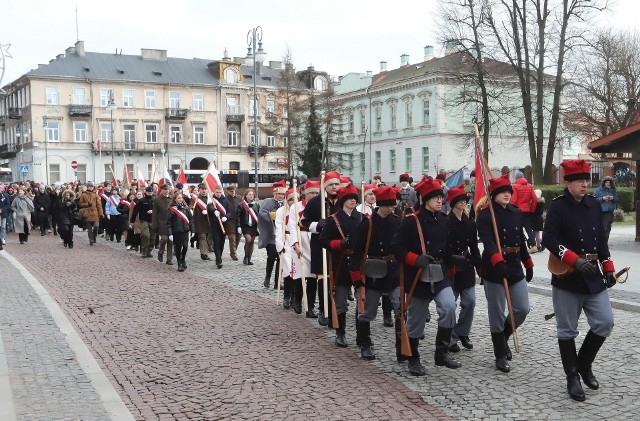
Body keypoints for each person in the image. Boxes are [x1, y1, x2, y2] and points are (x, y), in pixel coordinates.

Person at [542, 159, 617, 402]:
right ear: (568, 182)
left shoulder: (594, 205)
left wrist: (608, 266)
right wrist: (574, 260)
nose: (585, 184)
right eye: (579, 181)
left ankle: (584, 364)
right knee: (567, 330)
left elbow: (601, 239)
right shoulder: (558, 206)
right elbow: (549, 240)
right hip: (568, 275)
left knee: (605, 322)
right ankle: (572, 376)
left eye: (586, 180)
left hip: (593, 274)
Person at [391, 177, 461, 376]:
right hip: (418, 276)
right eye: (435, 198)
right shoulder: (411, 221)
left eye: (441, 197)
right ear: (424, 199)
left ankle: (441, 353)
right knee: (416, 321)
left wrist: (455, 263)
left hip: (440, 274)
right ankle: (413, 358)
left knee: (449, 307)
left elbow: (447, 248)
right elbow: (396, 247)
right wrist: (415, 259)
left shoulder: (444, 220)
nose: (440, 201)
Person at [477, 174, 534, 374]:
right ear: (494, 194)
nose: (507, 195)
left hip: (514, 265)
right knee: (496, 312)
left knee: (522, 308)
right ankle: (499, 354)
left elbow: (521, 239)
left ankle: (505, 335)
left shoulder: (516, 212)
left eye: (509, 191)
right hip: (494, 268)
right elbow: (488, 242)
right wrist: (497, 262)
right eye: (503, 192)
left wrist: (528, 263)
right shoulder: (485, 215)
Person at [350, 185, 401, 360]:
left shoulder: (397, 222)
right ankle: (365, 343)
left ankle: (402, 347)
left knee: (400, 308)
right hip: (373, 273)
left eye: (393, 205)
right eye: (389, 205)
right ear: (381, 205)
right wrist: (356, 276)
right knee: (368, 312)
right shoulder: (367, 224)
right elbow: (357, 252)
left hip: (393, 272)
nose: (392, 208)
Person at [320, 183, 362, 347]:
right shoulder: (334, 220)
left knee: (361, 300)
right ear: (343, 200)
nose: (352, 201)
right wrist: (341, 243)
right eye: (349, 198)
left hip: (358, 263)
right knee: (341, 300)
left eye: (354, 198)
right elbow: (324, 240)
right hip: (340, 263)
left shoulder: (361, 218)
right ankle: (341, 333)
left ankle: (361, 335)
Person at [300, 171, 341, 325]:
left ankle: (336, 309)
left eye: (336, 184)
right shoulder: (316, 202)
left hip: (338, 246)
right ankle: (324, 310)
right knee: (323, 278)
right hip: (320, 244)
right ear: (325, 186)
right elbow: (302, 222)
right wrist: (316, 225)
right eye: (331, 184)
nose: (334, 187)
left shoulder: (342, 200)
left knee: (337, 279)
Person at [446, 185, 481, 353]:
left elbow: (474, 247)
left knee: (470, 301)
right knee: (450, 304)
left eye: (465, 201)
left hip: (466, 266)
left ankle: (462, 332)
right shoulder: (445, 222)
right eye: (460, 201)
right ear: (453, 203)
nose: (463, 203)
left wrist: (480, 266)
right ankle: (450, 337)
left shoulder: (470, 223)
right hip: (451, 266)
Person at [288, 180, 320, 315]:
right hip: (300, 242)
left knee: (313, 276)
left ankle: (311, 306)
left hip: (314, 241)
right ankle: (297, 300)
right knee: (300, 274)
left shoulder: (320, 206)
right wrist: (295, 244)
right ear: (305, 194)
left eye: (316, 193)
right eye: (312, 193)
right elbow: (292, 226)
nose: (314, 195)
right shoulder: (295, 207)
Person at [258, 180, 286, 288]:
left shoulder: (285, 203)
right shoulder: (269, 201)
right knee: (271, 257)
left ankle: (277, 282)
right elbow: (262, 213)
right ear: (275, 193)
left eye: (283, 194)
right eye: (279, 194)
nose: (281, 196)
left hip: (282, 234)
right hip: (271, 235)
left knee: (281, 259)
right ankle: (267, 277)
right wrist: (271, 216)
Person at [275, 187, 297, 308]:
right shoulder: (281, 211)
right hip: (287, 241)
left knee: (297, 271)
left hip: (298, 242)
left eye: (295, 199)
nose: (293, 202)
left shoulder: (301, 210)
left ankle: (296, 296)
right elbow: (279, 228)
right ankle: (287, 296)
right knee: (288, 269)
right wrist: (280, 244)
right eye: (291, 199)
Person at [166, 192, 194, 272]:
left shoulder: (186, 208)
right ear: (175, 199)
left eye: (181, 198)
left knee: (185, 246)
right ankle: (179, 264)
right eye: (178, 198)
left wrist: (193, 230)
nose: (180, 199)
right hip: (176, 231)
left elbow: (191, 220)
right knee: (178, 248)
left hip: (185, 231)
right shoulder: (171, 210)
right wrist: (170, 233)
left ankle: (183, 259)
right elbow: (168, 223)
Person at [510, 171, 538, 253]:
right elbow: (535, 199)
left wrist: (511, 210)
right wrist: (532, 210)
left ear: (516, 178)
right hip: (527, 211)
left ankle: (519, 246)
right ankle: (533, 245)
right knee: (528, 228)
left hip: (517, 211)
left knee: (517, 228)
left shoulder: (515, 187)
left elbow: (513, 200)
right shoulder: (529, 186)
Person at [207, 185, 231, 269]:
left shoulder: (225, 201)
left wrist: (226, 217)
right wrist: (214, 210)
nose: (218, 194)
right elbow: (209, 207)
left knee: (222, 243)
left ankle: (219, 256)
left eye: (220, 192)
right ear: (214, 191)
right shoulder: (211, 199)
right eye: (217, 192)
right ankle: (218, 260)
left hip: (223, 225)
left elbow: (229, 212)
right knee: (216, 242)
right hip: (214, 225)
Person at [130, 186, 155, 257]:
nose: (150, 194)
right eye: (148, 192)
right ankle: (144, 251)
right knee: (146, 235)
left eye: (151, 192)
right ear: (145, 192)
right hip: (144, 220)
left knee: (152, 237)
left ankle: (149, 251)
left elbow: (159, 211)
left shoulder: (154, 200)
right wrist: (132, 220)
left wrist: (153, 211)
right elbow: (135, 211)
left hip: (153, 221)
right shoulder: (141, 201)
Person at [236, 189, 259, 265]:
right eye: (249, 194)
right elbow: (238, 216)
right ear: (246, 195)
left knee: (252, 241)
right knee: (248, 240)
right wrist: (239, 226)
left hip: (253, 226)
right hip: (245, 226)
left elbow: (259, 215)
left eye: (252, 194)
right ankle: (246, 257)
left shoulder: (256, 205)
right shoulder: (241, 205)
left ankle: (249, 258)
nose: (251, 196)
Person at [593, 176, 619, 243]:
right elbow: (594, 199)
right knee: (603, 227)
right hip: (601, 211)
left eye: (609, 182)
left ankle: (604, 242)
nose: (608, 183)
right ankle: (601, 242)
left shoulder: (613, 190)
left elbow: (617, 199)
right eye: (606, 182)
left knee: (608, 228)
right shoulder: (598, 190)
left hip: (610, 211)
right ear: (604, 183)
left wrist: (612, 198)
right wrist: (602, 199)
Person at [153, 184, 174, 265]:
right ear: (161, 190)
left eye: (168, 189)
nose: (166, 191)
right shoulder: (157, 200)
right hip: (161, 222)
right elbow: (154, 213)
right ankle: (160, 252)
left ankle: (169, 259)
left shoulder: (172, 198)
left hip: (171, 223)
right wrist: (155, 224)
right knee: (164, 239)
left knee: (170, 241)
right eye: (165, 189)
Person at [191, 184, 213, 261]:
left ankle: (209, 249)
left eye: (205, 189)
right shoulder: (195, 199)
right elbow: (191, 207)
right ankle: (204, 253)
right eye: (202, 189)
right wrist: (191, 210)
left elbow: (214, 208)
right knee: (202, 237)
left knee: (208, 238)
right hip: (199, 221)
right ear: (199, 190)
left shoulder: (210, 199)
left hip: (209, 221)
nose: (204, 190)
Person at [225, 185, 242, 261]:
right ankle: (233, 254)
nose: (233, 192)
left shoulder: (240, 198)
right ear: (228, 191)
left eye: (234, 191)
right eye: (231, 191)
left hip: (239, 220)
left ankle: (234, 250)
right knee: (232, 238)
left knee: (238, 237)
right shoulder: (225, 199)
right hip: (230, 221)